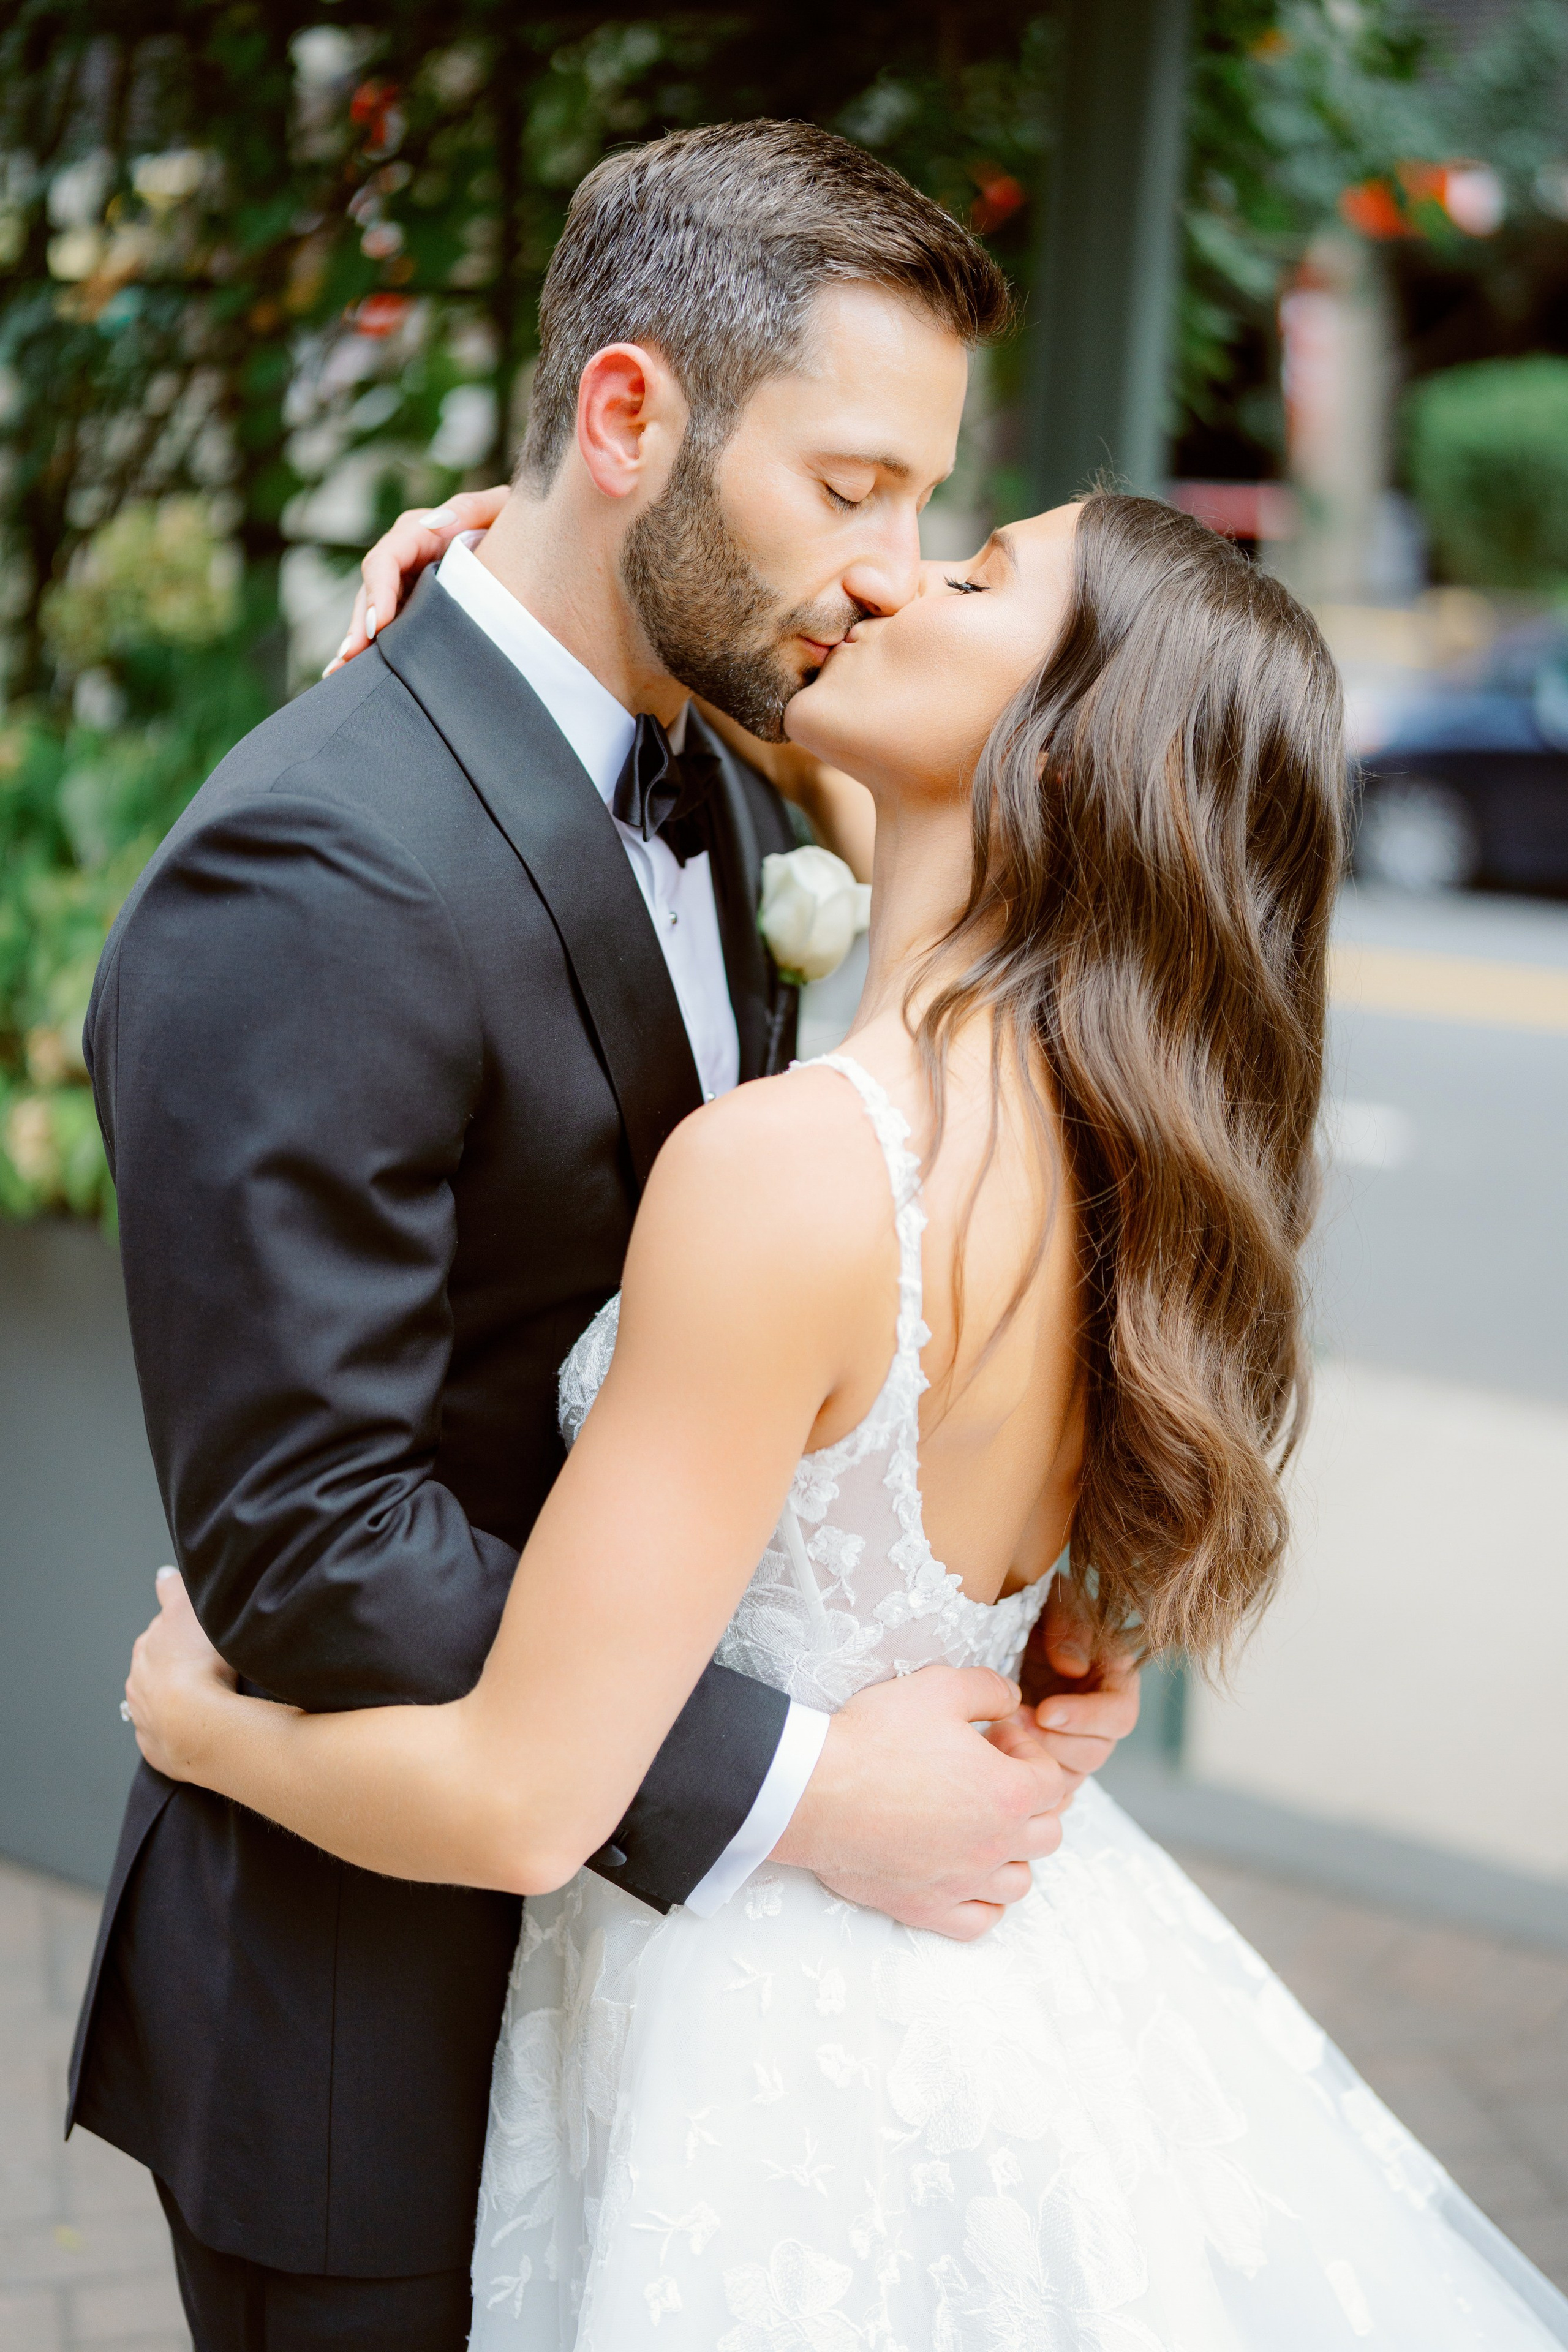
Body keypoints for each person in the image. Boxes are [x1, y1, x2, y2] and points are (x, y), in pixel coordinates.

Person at [125, 477, 1568, 2349]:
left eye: (968, 574)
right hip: (981, 1991)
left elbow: (513, 1802)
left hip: (748, 2068)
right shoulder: (1121, 1157)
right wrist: (533, 578)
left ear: (1057, 766)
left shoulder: (792, 1172)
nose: (888, 572)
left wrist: (203, 1729)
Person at [70, 122, 1140, 2352]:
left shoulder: (750, 769)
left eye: (928, 506)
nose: (888, 569)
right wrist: (811, 1780)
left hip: (659, 2031)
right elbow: (315, 1543)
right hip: (375, 2021)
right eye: (851, 488)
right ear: (630, 415)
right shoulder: (316, 871)